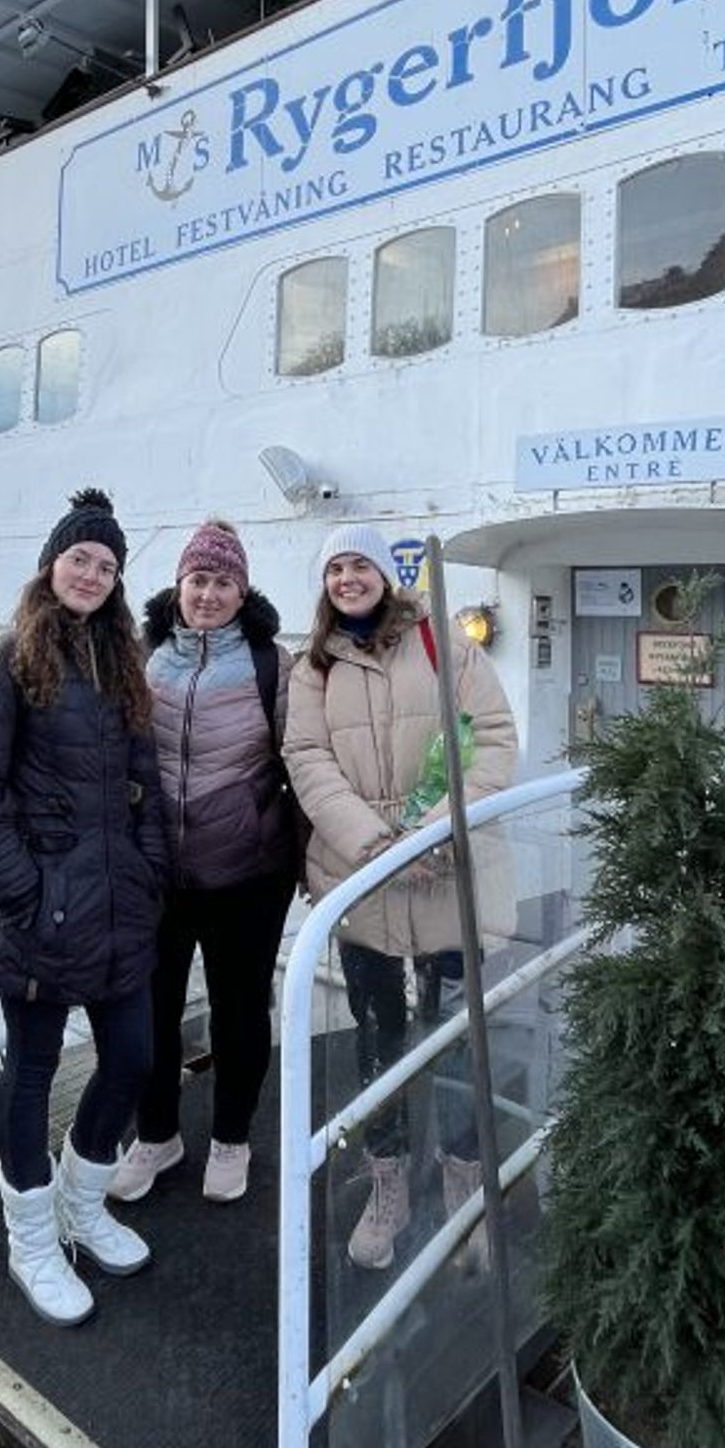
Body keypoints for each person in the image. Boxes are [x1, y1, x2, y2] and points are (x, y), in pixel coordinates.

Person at [0, 487, 171, 1325]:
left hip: (117, 907)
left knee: (133, 1059)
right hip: (39, 914)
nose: (92, 574)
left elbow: (144, 782)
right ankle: (32, 1238)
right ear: (50, 565)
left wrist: (150, 870)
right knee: (32, 1073)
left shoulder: (122, 668)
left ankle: (83, 1204)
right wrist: (26, 894)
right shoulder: (6, 661)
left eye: (107, 565)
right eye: (80, 558)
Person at [284, 523, 518, 1271]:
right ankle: (390, 1186)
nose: (348, 578)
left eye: (360, 566)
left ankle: (463, 1183)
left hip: (450, 874)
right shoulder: (313, 666)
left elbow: (493, 737)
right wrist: (376, 844)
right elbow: (307, 757)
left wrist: (432, 831)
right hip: (362, 881)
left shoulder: (444, 644)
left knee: (455, 1038)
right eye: (336, 569)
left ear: (387, 575)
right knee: (379, 1040)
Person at [110, 518, 298, 1208]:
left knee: (239, 1009)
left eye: (223, 582)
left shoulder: (268, 662)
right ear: (178, 585)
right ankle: (156, 1135)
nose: (209, 594)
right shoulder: (147, 651)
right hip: (157, 869)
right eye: (198, 580)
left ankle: (231, 1137)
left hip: (246, 872)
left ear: (241, 591)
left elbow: (299, 757)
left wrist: (309, 858)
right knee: (150, 1009)